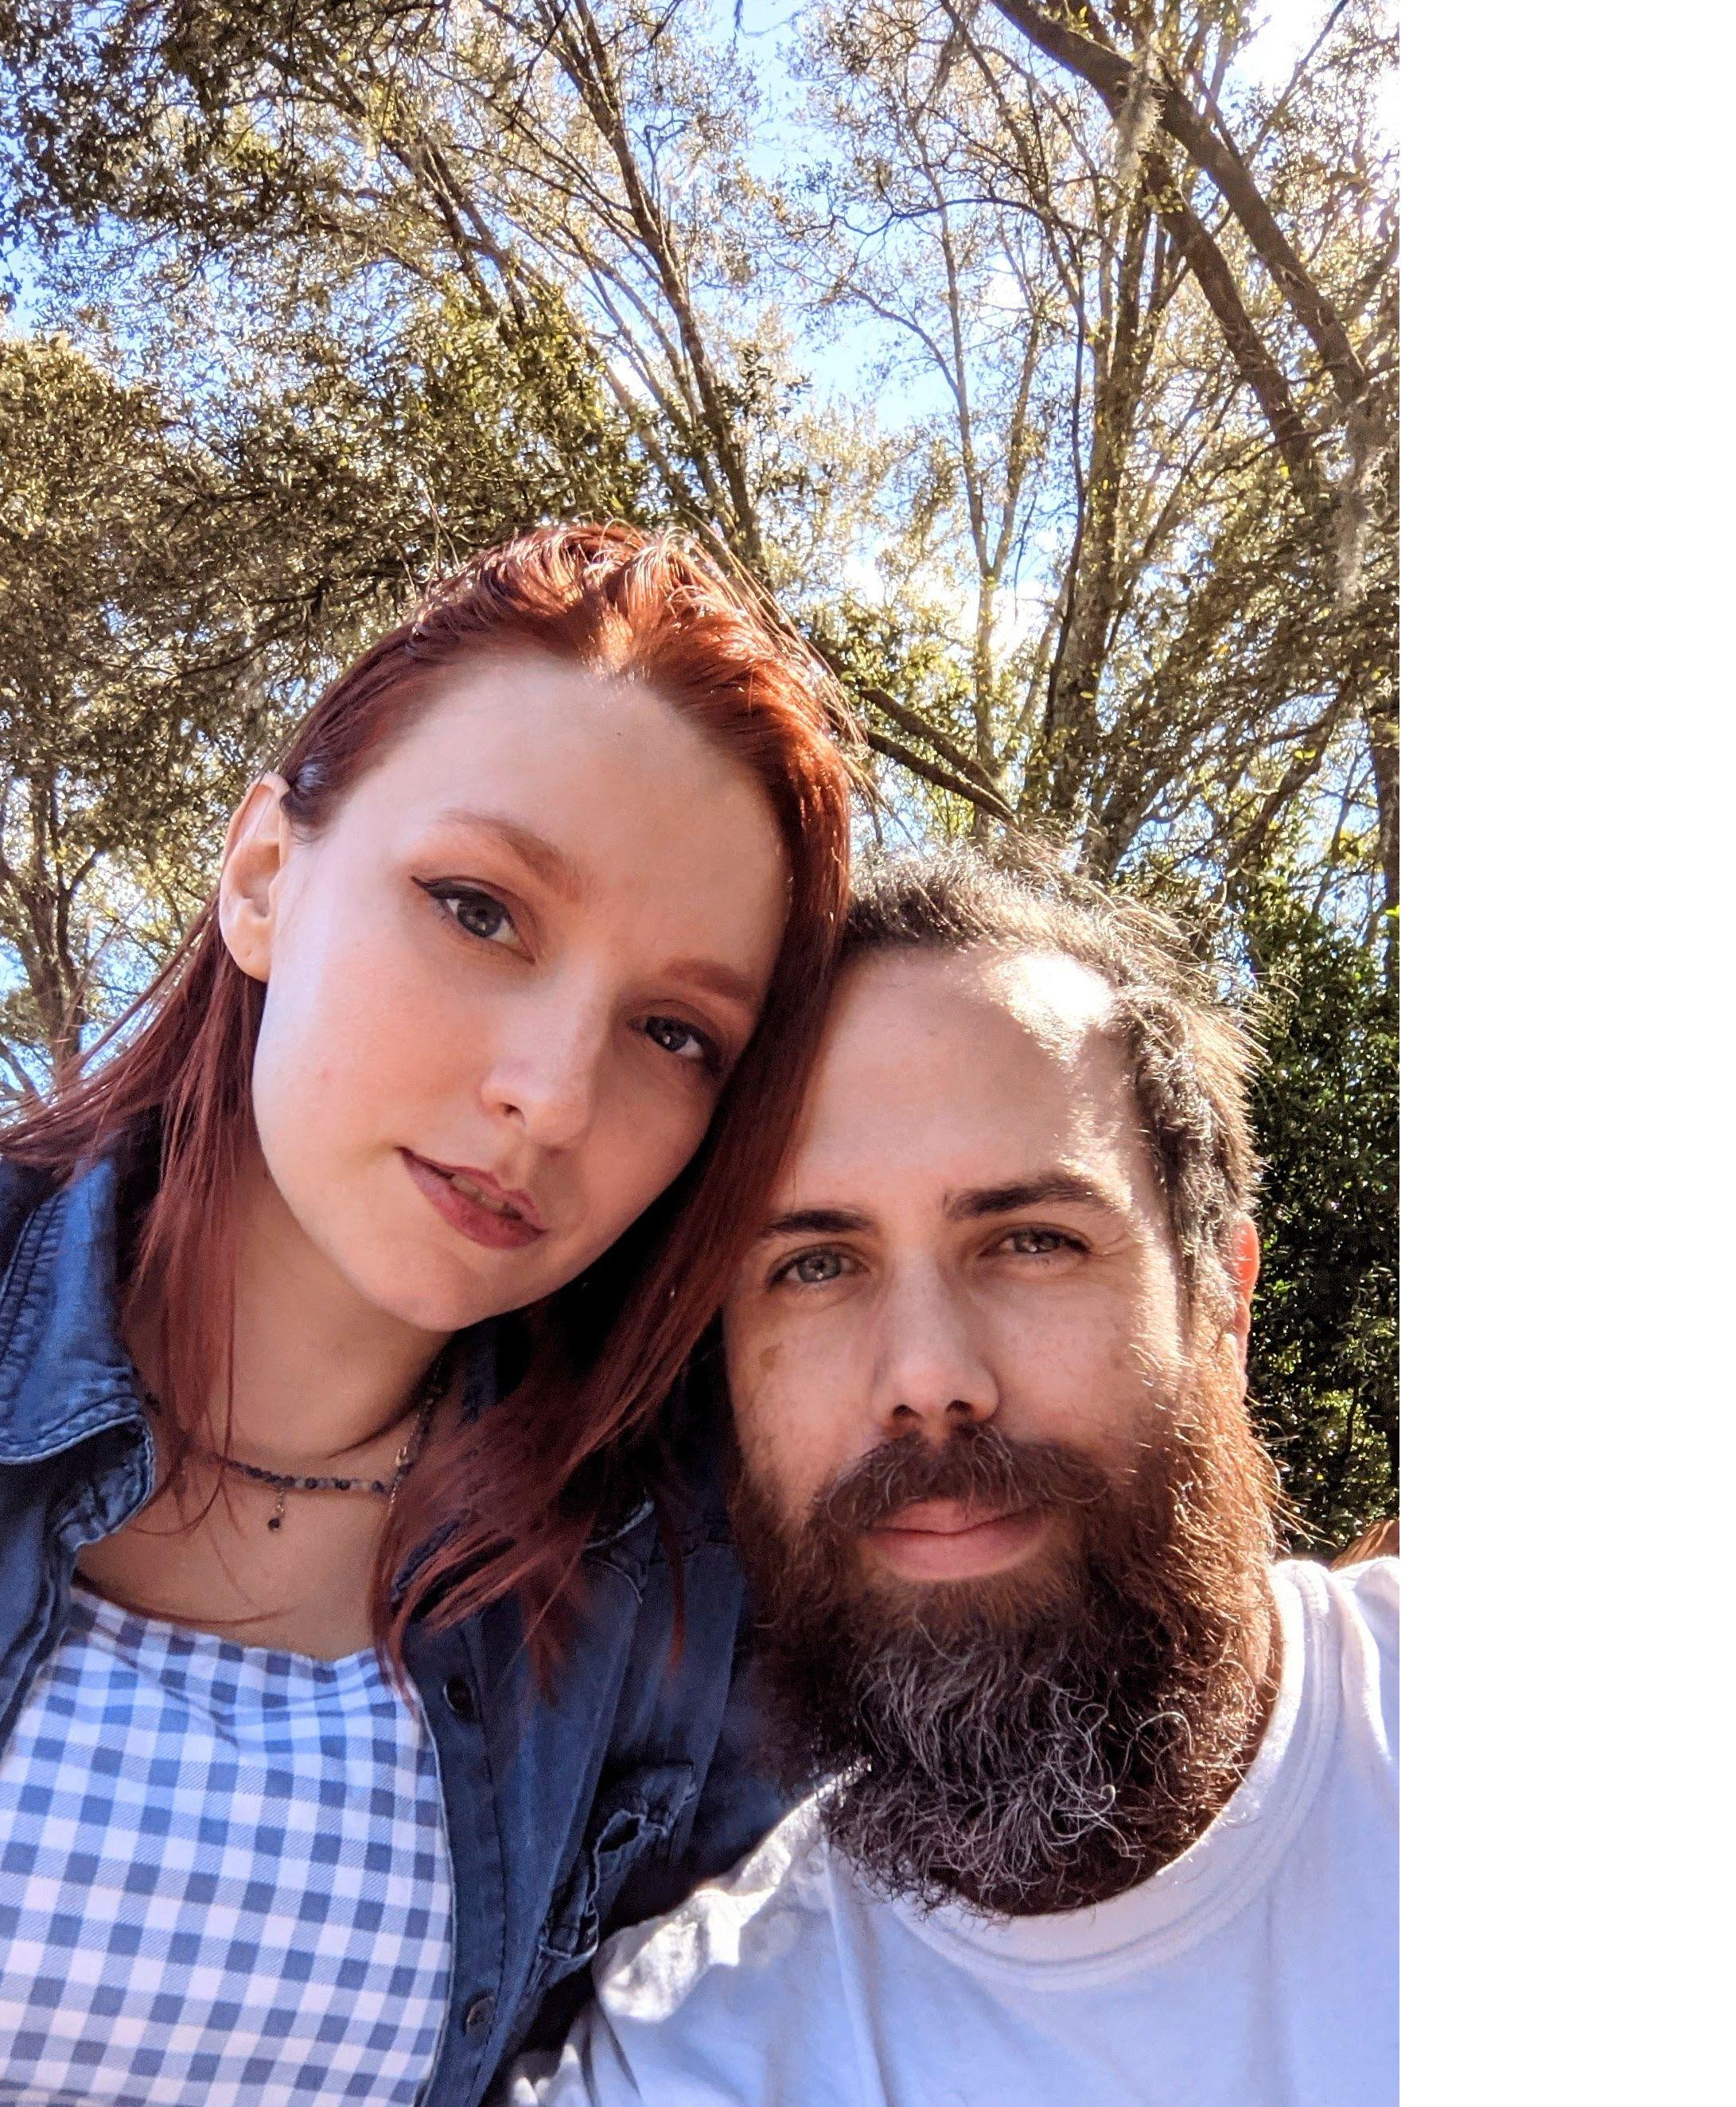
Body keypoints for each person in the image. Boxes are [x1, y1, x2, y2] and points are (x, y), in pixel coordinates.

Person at [0, 524, 854, 2105]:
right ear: (261, 875)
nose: (551, 1095)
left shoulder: (675, 1585)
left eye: (671, 1028)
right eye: (476, 907)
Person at [510, 849, 1399, 2107]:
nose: (927, 1376)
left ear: (1224, 1302)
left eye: (1032, 1240)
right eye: (813, 1264)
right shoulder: (690, 2056)